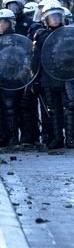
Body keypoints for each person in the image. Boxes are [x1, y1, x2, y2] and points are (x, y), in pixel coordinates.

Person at [32, 0, 74, 149]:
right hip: (48, 78)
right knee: (52, 109)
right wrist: (34, 79)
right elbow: (36, 59)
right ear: (45, 19)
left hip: (66, 76)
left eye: (58, 16)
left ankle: (71, 138)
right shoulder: (40, 35)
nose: (56, 19)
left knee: (70, 106)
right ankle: (58, 138)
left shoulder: (69, 33)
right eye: (52, 17)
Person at [0, 9, 21, 147]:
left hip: (11, 79)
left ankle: (13, 137)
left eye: (2, 22)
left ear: (10, 23)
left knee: (10, 108)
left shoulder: (17, 40)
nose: (0, 25)